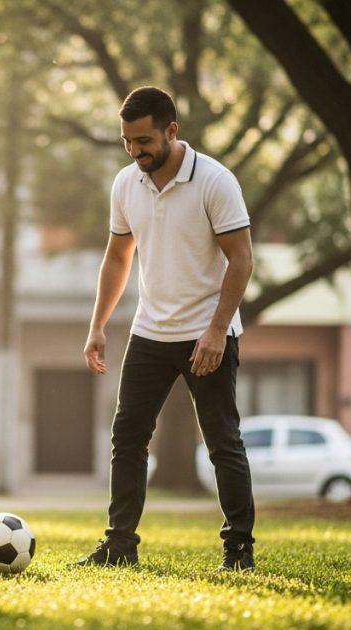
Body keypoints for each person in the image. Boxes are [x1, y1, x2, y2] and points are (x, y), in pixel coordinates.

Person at [74, 86, 257, 571]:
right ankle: (119, 546)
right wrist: (98, 326)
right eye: (127, 141)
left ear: (171, 131)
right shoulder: (126, 184)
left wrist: (218, 330)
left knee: (222, 442)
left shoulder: (215, 181)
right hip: (150, 331)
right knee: (127, 439)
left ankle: (239, 549)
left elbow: (242, 259)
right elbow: (118, 257)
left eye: (144, 140)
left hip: (206, 333)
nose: (136, 151)